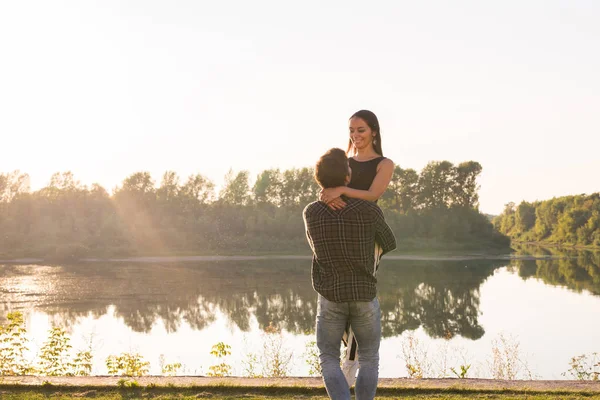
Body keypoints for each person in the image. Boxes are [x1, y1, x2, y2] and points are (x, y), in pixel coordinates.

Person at [303, 148, 396, 400]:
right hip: (364, 292)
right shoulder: (369, 211)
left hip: (331, 294)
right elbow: (389, 242)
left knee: (328, 358)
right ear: (347, 177)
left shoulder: (311, 212)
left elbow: (315, 245)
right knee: (369, 358)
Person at [319, 110, 394, 385]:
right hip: (341, 236)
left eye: (361, 130)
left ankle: (351, 360)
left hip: (368, 237)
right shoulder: (345, 163)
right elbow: (327, 190)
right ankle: (348, 354)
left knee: (360, 294)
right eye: (351, 130)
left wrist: (342, 192)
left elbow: (373, 195)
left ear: (373, 131)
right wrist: (328, 197)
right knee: (340, 295)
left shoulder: (384, 163)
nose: (355, 135)